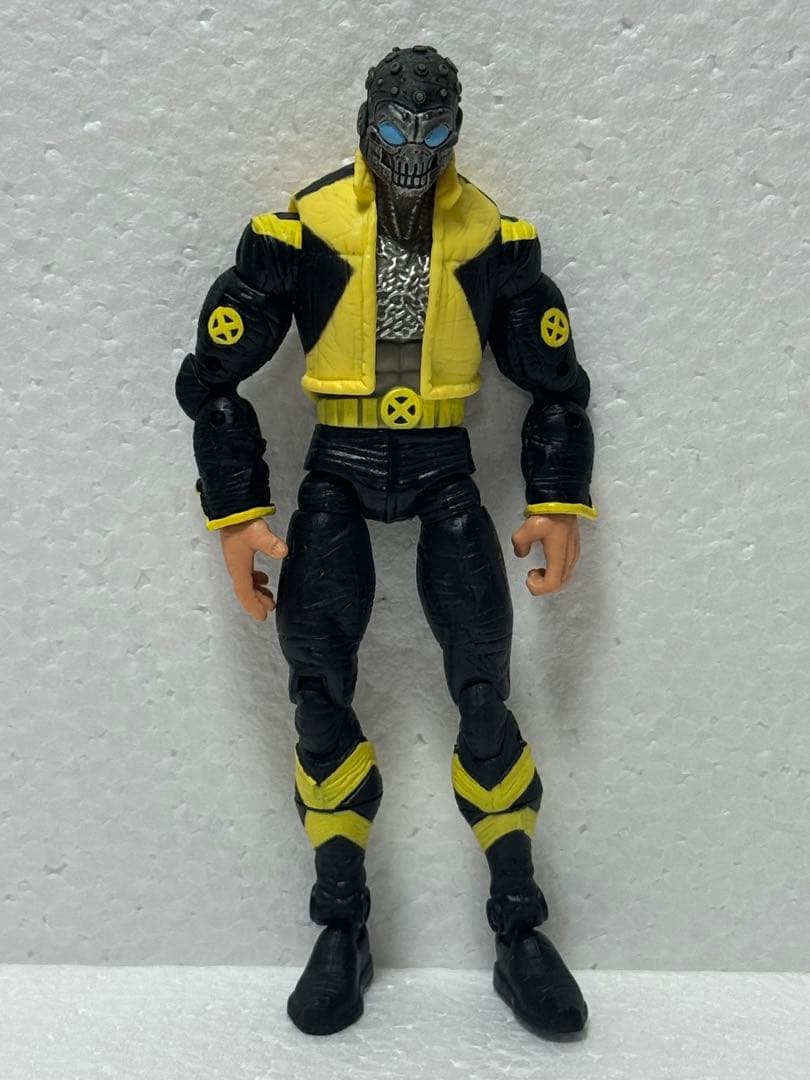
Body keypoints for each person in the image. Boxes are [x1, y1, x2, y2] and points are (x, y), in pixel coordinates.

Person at [175, 44, 596, 1037]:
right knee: (318, 691)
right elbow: (213, 377)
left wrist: (556, 496)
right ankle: (341, 923)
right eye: (398, 130)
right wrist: (237, 511)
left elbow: (555, 387)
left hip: (447, 465)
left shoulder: (492, 233)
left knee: (484, 692)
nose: (415, 150)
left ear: (457, 130)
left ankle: (518, 923)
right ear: (366, 125)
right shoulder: (306, 226)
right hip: (340, 462)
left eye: (434, 132)